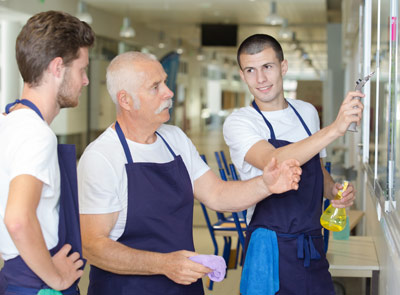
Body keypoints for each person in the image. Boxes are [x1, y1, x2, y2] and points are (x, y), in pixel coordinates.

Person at [77, 51, 302, 295]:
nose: (169, 92)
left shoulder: (174, 139)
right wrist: (163, 264)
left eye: (164, 81)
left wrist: (266, 184)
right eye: (155, 87)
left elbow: (217, 193)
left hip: (183, 288)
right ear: (126, 100)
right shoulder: (102, 157)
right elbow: (92, 246)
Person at [223, 34, 364, 295]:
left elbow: (317, 171)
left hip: (312, 243)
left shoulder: (307, 112)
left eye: (267, 67)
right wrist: (335, 129)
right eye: (251, 70)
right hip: (269, 248)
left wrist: (334, 192)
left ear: (283, 67)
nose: (261, 79)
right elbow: (274, 162)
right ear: (243, 76)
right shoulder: (241, 122)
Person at [0, 11, 95, 295]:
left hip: (15, 277)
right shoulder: (36, 134)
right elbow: (17, 218)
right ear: (57, 68)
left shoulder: (8, 122)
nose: (86, 81)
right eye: (81, 69)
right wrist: (55, 278)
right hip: (38, 285)